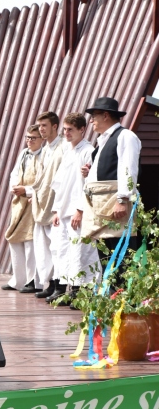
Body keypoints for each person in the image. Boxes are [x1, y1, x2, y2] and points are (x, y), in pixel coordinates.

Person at [81, 97, 142, 283]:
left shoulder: (125, 136)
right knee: (106, 256)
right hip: (100, 207)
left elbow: (128, 169)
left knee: (120, 257)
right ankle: (112, 301)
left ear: (105, 115)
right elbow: (111, 170)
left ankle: (123, 305)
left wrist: (122, 199)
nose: (91, 120)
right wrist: (92, 173)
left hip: (114, 205)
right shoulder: (102, 141)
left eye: (94, 116)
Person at [47, 113, 100, 304]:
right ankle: (62, 289)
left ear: (81, 129)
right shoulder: (68, 151)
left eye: (70, 129)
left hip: (78, 211)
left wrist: (80, 209)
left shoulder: (88, 150)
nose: (66, 133)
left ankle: (80, 293)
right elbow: (60, 184)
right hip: (63, 210)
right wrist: (56, 210)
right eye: (65, 129)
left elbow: (89, 184)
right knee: (61, 250)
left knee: (80, 251)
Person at [12, 112, 63, 300]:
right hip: (40, 203)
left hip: (56, 205)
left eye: (44, 125)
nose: (41, 129)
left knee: (57, 248)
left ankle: (60, 285)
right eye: (39, 126)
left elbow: (59, 180)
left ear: (55, 127)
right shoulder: (47, 149)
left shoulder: (61, 147)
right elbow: (41, 179)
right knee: (44, 249)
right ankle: (47, 283)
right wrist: (33, 193)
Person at [3, 124, 43, 293]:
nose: (29, 141)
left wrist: (27, 190)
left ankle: (33, 280)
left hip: (33, 201)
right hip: (19, 202)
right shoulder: (23, 154)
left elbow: (44, 181)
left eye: (33, 138)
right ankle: (17, 279)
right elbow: (14, 173)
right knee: (14, 238)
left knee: (30, 242)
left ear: (41, 139)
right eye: (27, 137)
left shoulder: (44, 155)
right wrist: (14, 186)